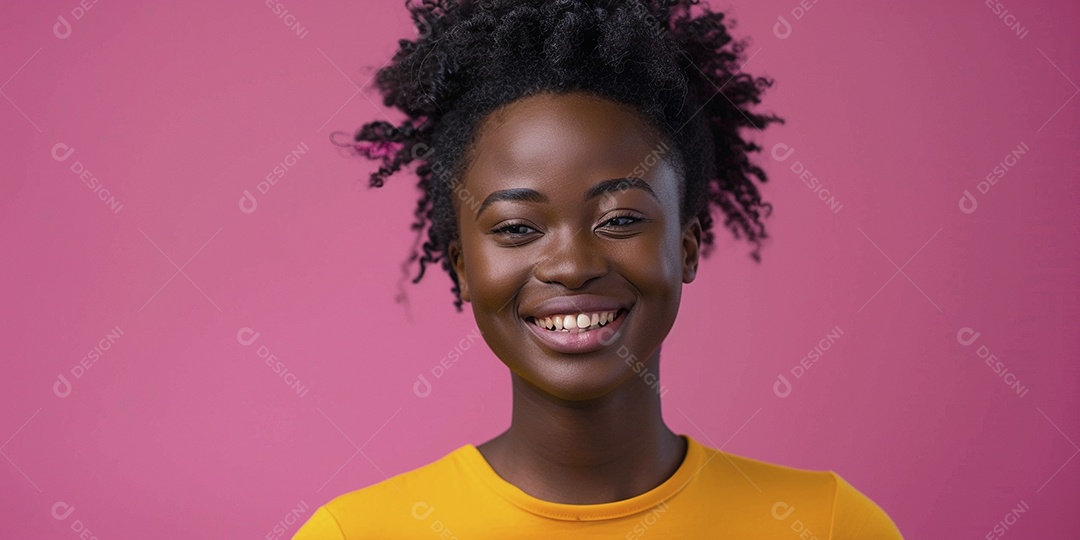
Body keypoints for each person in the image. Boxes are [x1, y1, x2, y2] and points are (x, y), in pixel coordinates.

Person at [296, 0, 903, 537]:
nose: (572, 266)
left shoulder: (828, 525)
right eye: (516, 228)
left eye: (620, 220)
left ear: (687, 247)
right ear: (462, 269)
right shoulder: (357, 534)